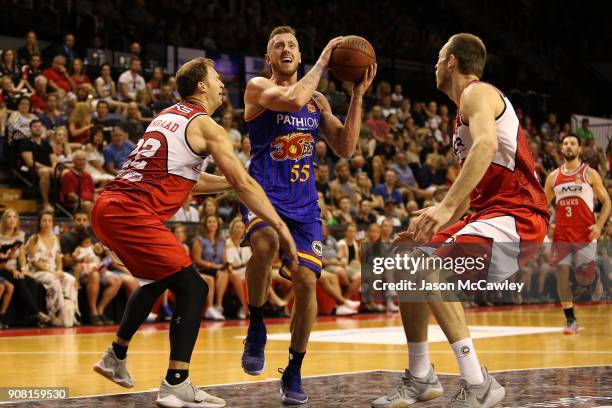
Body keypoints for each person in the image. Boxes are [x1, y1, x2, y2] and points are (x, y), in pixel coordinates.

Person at [91, 57, 297, 408]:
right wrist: (280, 227)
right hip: (131, 211)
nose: (221, 85)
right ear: (201, 86)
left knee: (155, 282)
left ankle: (115, 355)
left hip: (108, 206)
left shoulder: (166, 117)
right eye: (217, 79)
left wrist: (232, 185)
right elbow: (242, 183)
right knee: (194, 288)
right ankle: (176, 383)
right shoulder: (208, 126)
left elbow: (191, 181)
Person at [372, 33, 549, 408]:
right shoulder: (463, 111)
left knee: (428, 266)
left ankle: (478, 382)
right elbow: (475, 185)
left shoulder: (477, 93)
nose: (435, 64)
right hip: (490, 213)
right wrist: (438, 217)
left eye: (438, 57)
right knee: (406, 261)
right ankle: (421, 377)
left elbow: (485, 145)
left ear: (451, 61)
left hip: (517, 214)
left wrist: (442, 208)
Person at [240, 26, 375, 405]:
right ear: (269, 58)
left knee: (306, 282)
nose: (286, 49)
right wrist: (324, 59)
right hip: (264, 194)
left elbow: (347, 147)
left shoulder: (317, 101)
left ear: (299, 57)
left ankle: (295, 368)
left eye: (292, 45)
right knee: (263, 244)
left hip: (304, 206)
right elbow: (292, 100)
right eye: (278, 46)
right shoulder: (257, 88)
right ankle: (255, 325)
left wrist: (357, 96)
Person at [544, 134, 610, 334]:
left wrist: (599, 225)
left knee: (584, 279)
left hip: (585, 232)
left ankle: (595, 277)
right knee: (561, 275)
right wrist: (547, 225)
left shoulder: (589, 174)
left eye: (573, 143)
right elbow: (541, 206)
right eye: (565, 143)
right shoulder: (554, 177)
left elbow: (607, 202)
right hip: (563, 233)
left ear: (579, 149)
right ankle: (570, 320)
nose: (569, 146)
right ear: (561, 149)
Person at [26, 211, 78, 327]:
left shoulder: (55, 238)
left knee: (71, 279)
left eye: (49, 221)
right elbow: (34, 262)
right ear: (39, 222)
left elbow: (59, 258)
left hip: (54, 271)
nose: (47, 223)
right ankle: (53, 314)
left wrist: (59, 270)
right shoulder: (34, 239)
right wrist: (53, 272)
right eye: (44, 220)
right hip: (38, 272)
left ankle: (68, 314)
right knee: (54, 280)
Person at [0, 209, 51, 327]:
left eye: (14, 217)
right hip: (3, 269)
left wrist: (24, 270)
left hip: (15, 269)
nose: (12, 219)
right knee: (19, 279)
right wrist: (14, 271)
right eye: (9, 217)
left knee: (32, 281)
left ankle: (29, 318)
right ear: (4, 220)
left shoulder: (20, 236)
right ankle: (37, 312)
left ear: (17, 221)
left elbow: (22, 257)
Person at [16, 120, 57, 212]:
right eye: (35, 126)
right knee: (45, 172)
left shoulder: (46, 144)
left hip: (49, 169)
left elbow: (54, 159)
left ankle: (66, 201)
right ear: (30, 129)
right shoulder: (25, 143)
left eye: (39, 126)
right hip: (31, 170)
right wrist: (49, 169)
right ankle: (46, 203)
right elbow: (30, 163)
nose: (38, 128)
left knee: (64, 172)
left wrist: (54, 167)